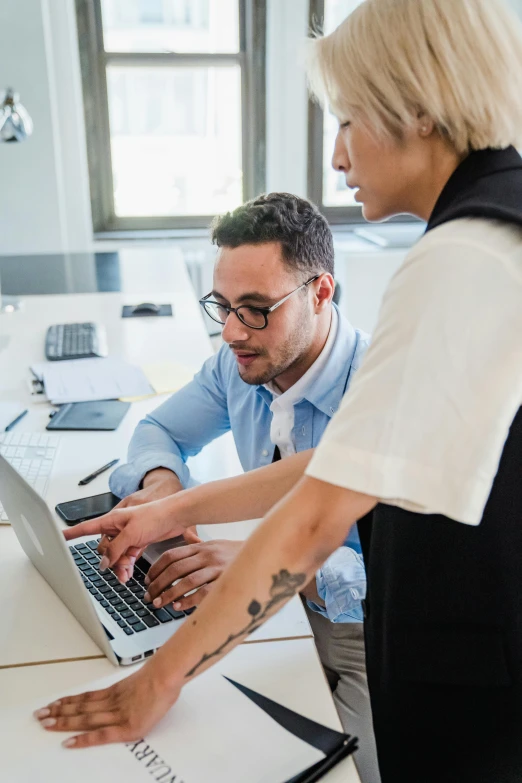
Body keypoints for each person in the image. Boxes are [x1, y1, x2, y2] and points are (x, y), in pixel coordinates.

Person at [36, 0, 522, 780]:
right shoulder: (502, 227)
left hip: (466, 672)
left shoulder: (461, 257)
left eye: (348, 119)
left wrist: (159, 680)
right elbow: (357, 464)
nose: (337, 157)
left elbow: (318, 516)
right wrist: (173, 506)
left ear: (420, 110)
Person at [99, 191, 378, 781]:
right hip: (266, 619)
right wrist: (162, 488)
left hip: (363, 639)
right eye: (221, 306)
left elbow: (412, 581)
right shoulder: (244, 358)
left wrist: (268, 568)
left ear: (321, 292)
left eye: (254, 308)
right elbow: (157, 429)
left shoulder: (381, 395)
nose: (230, 332)